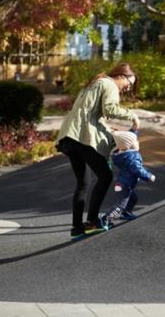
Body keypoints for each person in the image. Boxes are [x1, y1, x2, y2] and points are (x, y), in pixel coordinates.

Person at [56, 63, 139, 237]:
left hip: (68, 137)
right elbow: (110, 109)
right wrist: (133, 116)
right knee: (105, 175)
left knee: (83, 183)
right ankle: (93, 222)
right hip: (82, 137)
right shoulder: (109, 84)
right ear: (121, 76)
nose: (127, 88)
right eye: (128, 84)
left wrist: (110, 132)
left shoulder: (96, 83)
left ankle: (77, 228)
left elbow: (90, 116)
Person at [98, 130, 155, 229]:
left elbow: (126, 140)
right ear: (129, 145)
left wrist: (134, 129)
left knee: (133, 199)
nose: (138, 142)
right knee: (120, 205)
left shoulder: (123, 154)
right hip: (125, 186)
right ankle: (105, 219)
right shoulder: (132, 157)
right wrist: (149, 176)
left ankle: (126, 212)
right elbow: (137, 169)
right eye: (136, 141)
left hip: (123, 184)